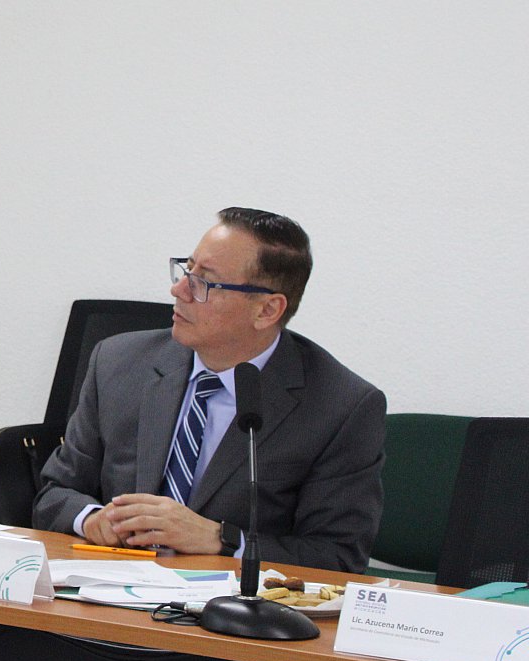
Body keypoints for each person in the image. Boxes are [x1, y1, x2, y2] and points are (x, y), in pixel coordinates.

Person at [31, 207, 385, 573]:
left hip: (230, 602)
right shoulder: (118, 362)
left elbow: (336, 556)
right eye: (187, 270)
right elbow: (54, 494)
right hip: (110, 587)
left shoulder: (341, 407)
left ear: (267, 310)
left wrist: (222, 539)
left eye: (205, 283)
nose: (178, 290)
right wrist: (92, 519)